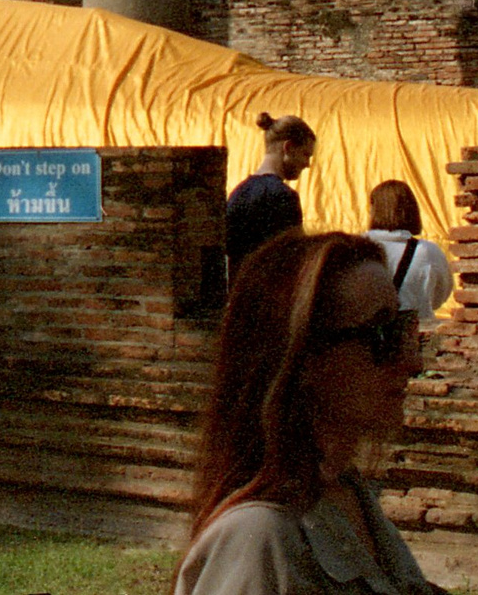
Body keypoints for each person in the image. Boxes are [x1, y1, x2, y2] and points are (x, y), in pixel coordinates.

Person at [176, 232, 437, 595]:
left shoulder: (348, 496)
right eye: (381, 334)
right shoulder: (258, 538)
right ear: (302, 360)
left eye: (404, 326)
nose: (412, 362)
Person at [223, 114, 315, 267]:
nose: (307, 164)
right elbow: (295, 259)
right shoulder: (283, 196)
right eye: (305, 154)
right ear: (288, 148)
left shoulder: (238, 193)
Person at [364, 180, 454, 330]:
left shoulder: (352, 249)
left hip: (363, 342)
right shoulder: (428, 252)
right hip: (414, 338)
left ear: (373, 209)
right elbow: (440, 297)